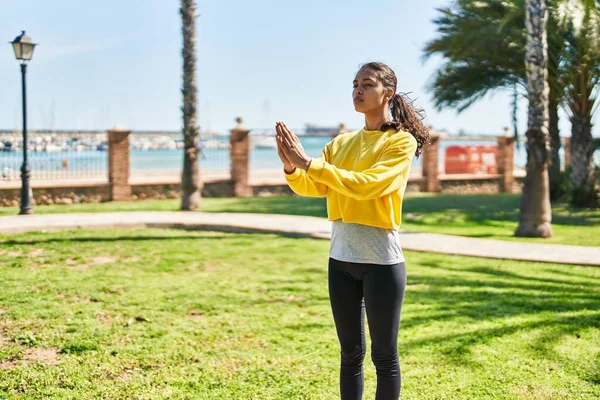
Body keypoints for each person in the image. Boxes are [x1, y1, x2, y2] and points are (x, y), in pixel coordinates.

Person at [275, 61, 430, 400]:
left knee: (384, 356)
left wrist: (309, 164)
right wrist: (292, 165)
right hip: (340, 259)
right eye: (355, 84)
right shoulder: (341, 143)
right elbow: (315, 186)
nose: (358, 90)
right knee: (349, 355)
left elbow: (368, 186)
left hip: (381, 263)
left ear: (387, 92)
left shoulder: (399, 143)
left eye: (368, 84)